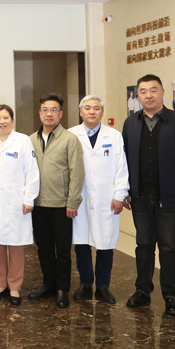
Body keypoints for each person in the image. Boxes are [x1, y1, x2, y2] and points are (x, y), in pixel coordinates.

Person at [122, 74, 175, 316]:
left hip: (169, 196)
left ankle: (171, 296)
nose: (148, 95)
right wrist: (125, 190)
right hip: (140, 196)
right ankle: (142, 291)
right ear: (138, 95)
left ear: (163, 92)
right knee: (143, 245)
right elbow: (123, 162)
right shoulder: (130, 123)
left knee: (168, 247)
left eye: (153, 90)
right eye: (143, 91)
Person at [68, 95, 129, 305]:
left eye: (96, 108)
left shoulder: (114, 136)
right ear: (80, 112)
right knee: (81, 243)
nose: (92, 111)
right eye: (87, 108)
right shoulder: (71, 135)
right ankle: (85, 284)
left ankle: (103, 286)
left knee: (105, 243)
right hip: (80, 197)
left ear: (102, 112)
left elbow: (122, 168)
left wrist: (119, 195)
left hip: (106, 198)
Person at [28, 93, 84, 308]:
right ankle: (48, 284)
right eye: (45, 110)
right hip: (38, 204)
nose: (49, 114)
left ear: (60, 114)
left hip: (61, 205)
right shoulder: (30, 140)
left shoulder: (70, 139)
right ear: (39, 113)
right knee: (43, 248)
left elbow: (77, 173)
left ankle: (62, 289)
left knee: (62, 250)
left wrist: (72, 202)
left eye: (53, 110)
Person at [0, 105, 39, 306]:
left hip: (16, 203)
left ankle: (14, 286)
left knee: (15, 246)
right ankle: (0, 285)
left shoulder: (22, 141)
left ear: (12, 121)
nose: (2, 122)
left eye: (6, 118)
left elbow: (32, 172)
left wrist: (29, 199)